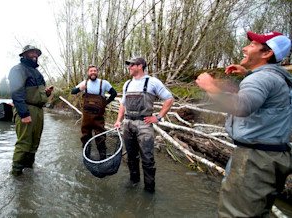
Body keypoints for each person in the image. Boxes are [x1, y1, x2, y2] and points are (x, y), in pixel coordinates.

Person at [196, 31, 292, 217]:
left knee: (236, 214)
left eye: (252, 45)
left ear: (266, 54)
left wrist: (209, 86)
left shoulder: (262, 78)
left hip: (255, 160)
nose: (244, 48)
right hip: (274, 155)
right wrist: (248, 73)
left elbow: (241, 106)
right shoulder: (277, 78)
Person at [113, 57, 174, 192]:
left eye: (131, 65)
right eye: (128, 65)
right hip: (128, 123)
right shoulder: (127, 84)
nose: (129, 67)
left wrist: (158, 117)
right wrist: (119, 120)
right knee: (131, 156)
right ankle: (134, 182)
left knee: (147, 158)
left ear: (140, 66)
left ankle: (149, 188)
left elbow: (169, 99)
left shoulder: (152, 82)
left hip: (144, 124)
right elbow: (123, 104)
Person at [8, 45, 54, 176]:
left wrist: (47, 93)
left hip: (38, 111)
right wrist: (24, 114)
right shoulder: (17, 69)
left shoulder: (38, 73)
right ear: (24, 55)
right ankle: (16, 174)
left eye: (36, 53)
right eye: (32, 52)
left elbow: (39, 94)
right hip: (26, 109)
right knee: (24, 143)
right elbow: (17, 93)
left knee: (34, 143)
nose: (35, 55)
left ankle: (28, 170)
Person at [71, 65, 117, 160]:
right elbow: (73, 91)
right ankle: (86, 157)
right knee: (85, 137)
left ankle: (102, 158)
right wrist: (80, 88)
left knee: (100, 137)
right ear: (88, 73)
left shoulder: (104, 83)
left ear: (97, 72)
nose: (93, 72)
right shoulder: (84, 83)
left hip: (98, 117)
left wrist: (106, 103)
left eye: (94, 71)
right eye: (91, 71)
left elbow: (114, 93)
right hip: (86, 118)